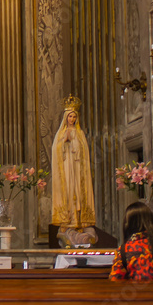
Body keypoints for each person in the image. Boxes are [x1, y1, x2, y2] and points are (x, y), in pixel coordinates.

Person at [50, 96, 96, 234]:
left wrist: (75, 144)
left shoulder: (80, 133)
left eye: (74, 117)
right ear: (66, 117)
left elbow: (84, 151)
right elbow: (55, 150)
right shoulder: (61, 133)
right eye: (70, 116)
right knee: (68, 191)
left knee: (78, 191)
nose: (72, 119)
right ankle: (67, 220)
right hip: (66, 167)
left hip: (77, 167)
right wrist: (64, 141)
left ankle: (79, 221)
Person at [109, 201, 153, 280]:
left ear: (127, 225)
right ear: (152, 220)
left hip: (141, 291)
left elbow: (115, 281)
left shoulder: (124, 251)